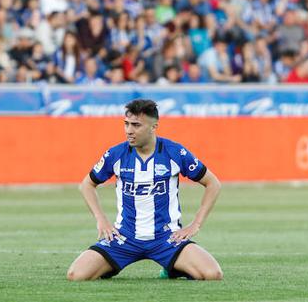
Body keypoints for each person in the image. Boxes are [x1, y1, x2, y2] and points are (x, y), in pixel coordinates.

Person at [66, 99, 223, 281]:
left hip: (166, 239)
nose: (129, 131)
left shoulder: (174, 152)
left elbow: (213, 183)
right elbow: (86, 185)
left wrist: (195, 224)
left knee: (213, 274)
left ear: (153, 127)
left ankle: (174, 268)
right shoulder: (115, 154)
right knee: (76, 275)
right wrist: (101, 220)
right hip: (124, 238)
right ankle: (112, 265)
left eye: (136, 125)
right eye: (126, 124)